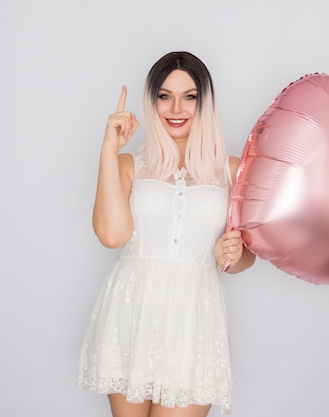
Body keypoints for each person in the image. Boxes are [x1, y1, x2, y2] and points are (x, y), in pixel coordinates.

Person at [78, 51, 255, 417]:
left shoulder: (231, 169)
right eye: (164, 96)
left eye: (189, 96)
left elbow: (242, 258)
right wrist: (109, 148)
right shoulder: (130, 165)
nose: (176, 107)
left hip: (194, 316)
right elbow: (112, 236)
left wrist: (235, 253)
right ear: (151, 100)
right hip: (132, 311)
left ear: (204, 102)